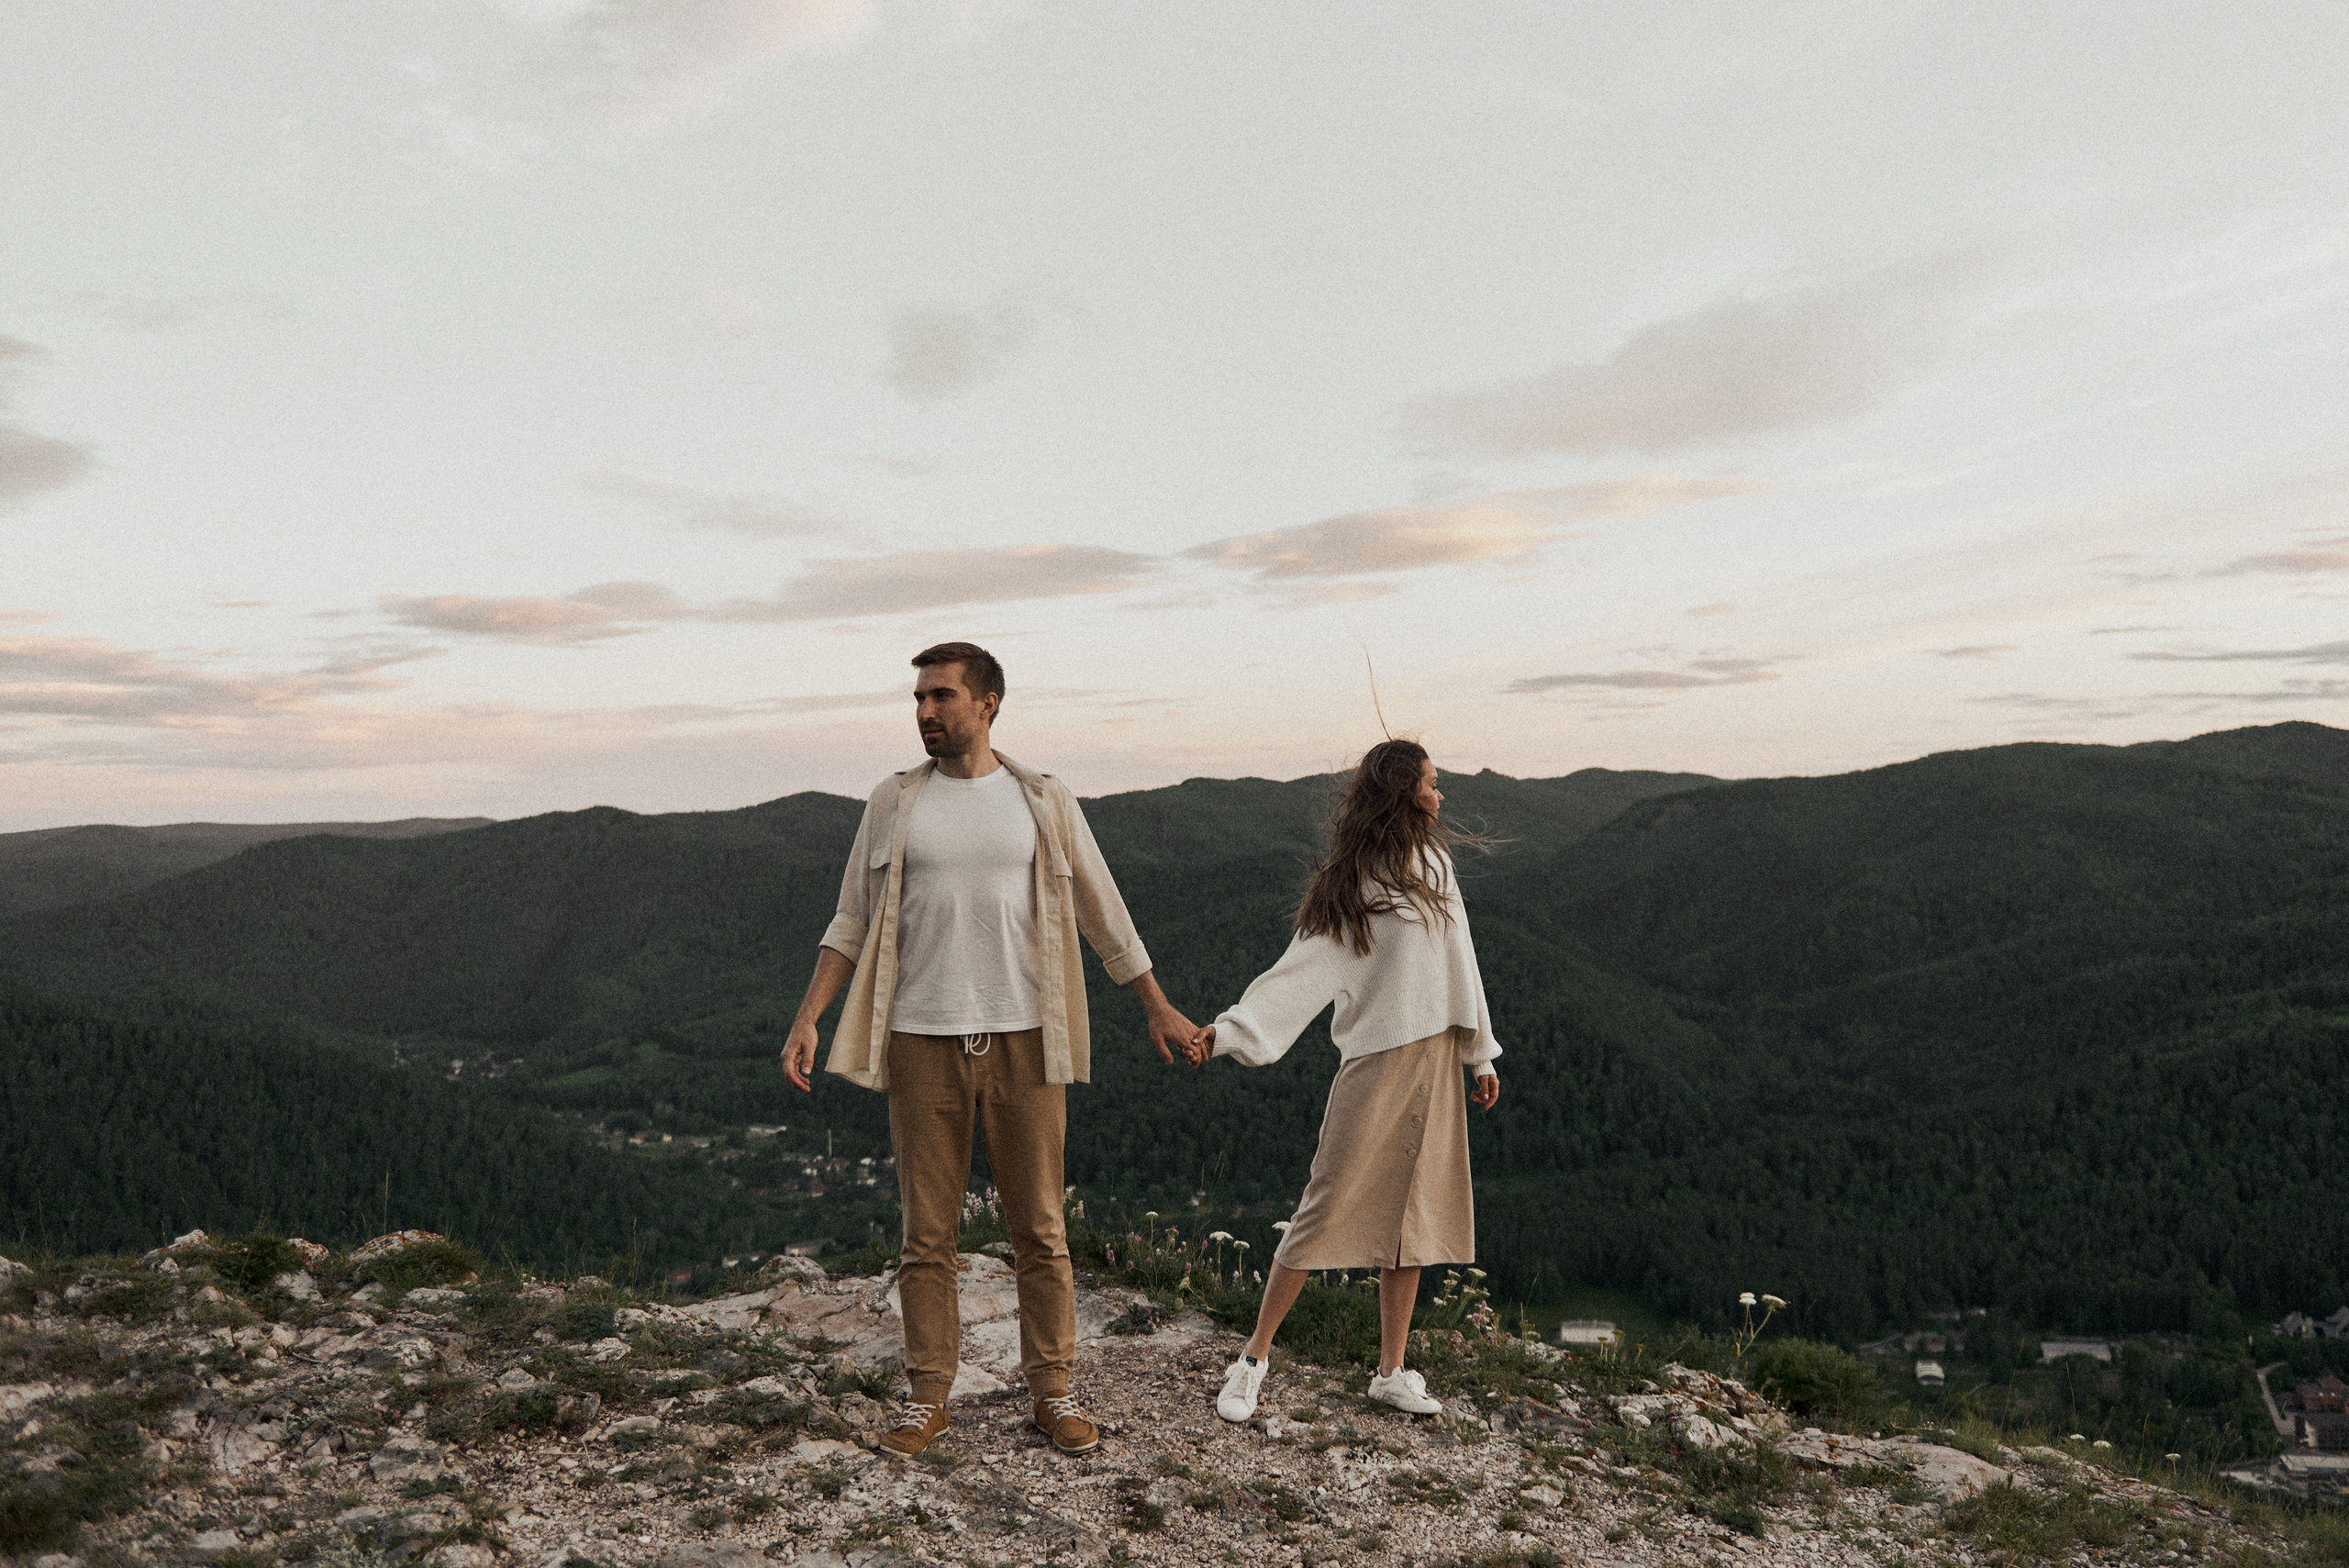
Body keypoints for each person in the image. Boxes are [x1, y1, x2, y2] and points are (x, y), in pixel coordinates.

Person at [780, 641, 1198, 1458]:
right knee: (925, 1234)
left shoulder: (1042, 798)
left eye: (942, 696)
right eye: (919, 699)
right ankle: (926, 1397)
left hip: (1026, 1037)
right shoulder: (893, 802)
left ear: (989, 703)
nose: (926, 712)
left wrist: (1156, 1005)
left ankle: (1054, 1391)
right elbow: (850, 921)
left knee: (1039, 1227)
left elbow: (1104, 912)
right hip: (919, 1038)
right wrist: (808, 1017)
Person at [1185, 739, 1501, 1421]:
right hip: (1377, 1062)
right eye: (1432, 784)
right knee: (1322, 1207)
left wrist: (1482, 1053)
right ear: (1404, 791)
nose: (1440, 795)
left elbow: (1462, 961)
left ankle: (1391, 1370)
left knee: (1416, 1217)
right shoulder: (1353, 880)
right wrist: (1229, 1031)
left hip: (1437, 1058)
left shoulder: (1436, 865)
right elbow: (1296, 973)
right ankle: (1252, 1360)